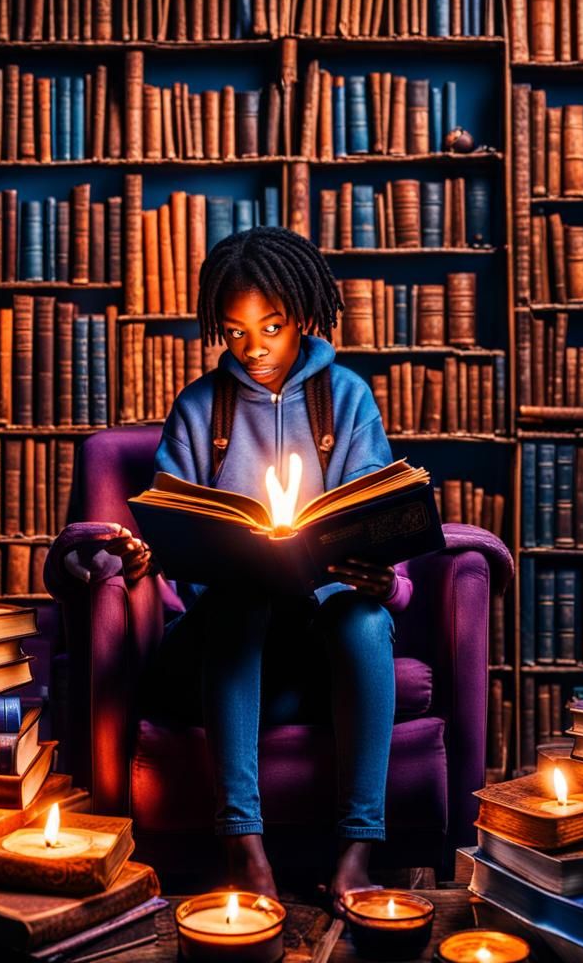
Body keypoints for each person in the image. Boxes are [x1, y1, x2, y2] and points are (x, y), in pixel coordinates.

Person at [105, 226, 413, 906]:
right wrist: (149, 557)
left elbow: (378, 516)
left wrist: (386, 581)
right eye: (236, 331)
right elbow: (172, 527)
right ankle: (243, 849)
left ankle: (359, 852)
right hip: (225, 637)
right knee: (240, 600)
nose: (255, 348)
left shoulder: (348, 398)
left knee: (364, 620)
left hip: (321, 635)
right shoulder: (197, 409)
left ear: (302, 315)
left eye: (271, 326)